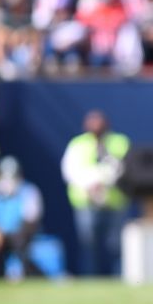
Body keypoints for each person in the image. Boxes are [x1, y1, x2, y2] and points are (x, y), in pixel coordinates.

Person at [61, 110, 130, 276]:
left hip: (114, 203)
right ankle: (90, 280)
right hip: (86, 203)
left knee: (116, 247)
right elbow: (70, 171)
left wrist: (106, 180)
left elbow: (123, 168)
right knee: (89, 247)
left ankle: (119, 279)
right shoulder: (77, 144)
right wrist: (90, 185)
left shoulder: (119, 142)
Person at [0, 156, 43, 279]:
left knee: (21, 243)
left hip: (20, 234)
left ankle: (23, 275)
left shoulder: (29, 191)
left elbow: (31, 221)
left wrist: (14, 235)